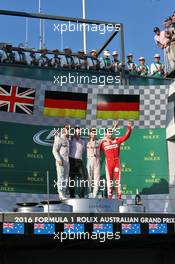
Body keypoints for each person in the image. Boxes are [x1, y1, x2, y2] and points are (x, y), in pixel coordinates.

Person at [100, 121, 132, 200]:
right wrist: (105, 139)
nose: (110, 134)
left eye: (111, 132)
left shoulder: (117, 140)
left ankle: (119, 197)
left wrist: (129, 128)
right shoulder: (103, 143)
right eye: (108, 132)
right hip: (109, 164)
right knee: (109, 181)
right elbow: (96, 146)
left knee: (118, 181)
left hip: (117, 163)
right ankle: (109, 198)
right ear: (105, 134)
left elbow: (126, 136)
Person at [52, 124, 70, 200]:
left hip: (67, 161)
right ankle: (60, 194)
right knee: (61, 177)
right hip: (61, 161)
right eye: (66, 128)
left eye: (69, 129)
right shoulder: (59, 138)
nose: (68, 130)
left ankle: (64, 193)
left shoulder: (67, 140)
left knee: (65, 178)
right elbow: (54, 150)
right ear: (63, 129)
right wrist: (58, 159)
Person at [69, 126, 86, 198]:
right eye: (77, 132)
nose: (78, 133)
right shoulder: (71, 140)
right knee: (72, 179)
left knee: (83, 178)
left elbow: (84, 151)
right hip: (71, 160)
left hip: (79, 161)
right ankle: (72, 195)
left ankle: (81, 194)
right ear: (74, 132)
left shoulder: (83, 141)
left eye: (79, 132)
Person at [86, 128, 101, 198]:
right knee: (89, 177)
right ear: (90, 133)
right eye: (92, 132)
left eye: (95, 132)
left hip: (97, 161)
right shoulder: (86, 142)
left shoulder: (98, 142)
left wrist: (113, 128)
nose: (94, 133)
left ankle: (95, 195)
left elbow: (105, 137)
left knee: (96, 179)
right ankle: (89, 193)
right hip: (90, 160)